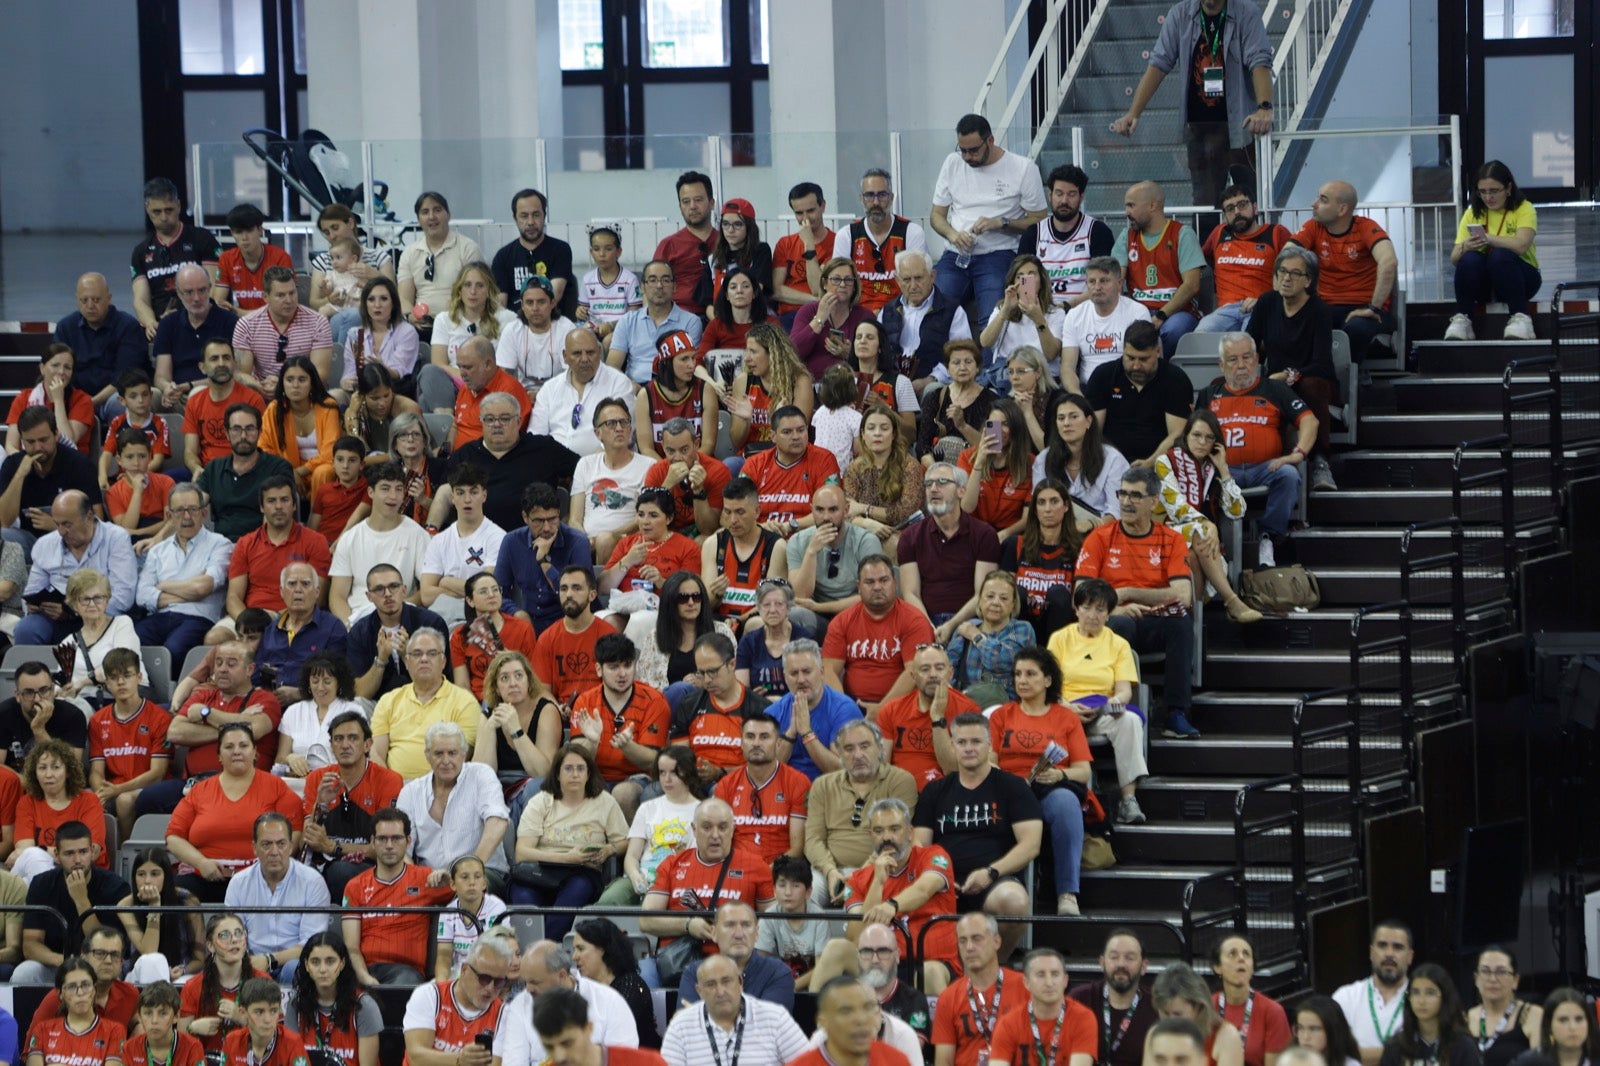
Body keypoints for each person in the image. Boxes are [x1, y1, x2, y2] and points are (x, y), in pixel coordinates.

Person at [1109, 0, 1275, 213]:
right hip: (1201, 131)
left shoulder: (1246, 12)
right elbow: (1159, 63)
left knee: (1251, 206)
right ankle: (1206, 246)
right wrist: (1134, 113)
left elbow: (1259, 61)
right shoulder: (1179, 15)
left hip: (1242, 127)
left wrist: (1264, 107)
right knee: (1205, 210)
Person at [1077, 466, 1198, 738]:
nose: (1125, 502)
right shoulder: (1100, 537)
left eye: (1135, 496)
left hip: (1155, 620)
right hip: (1110, 620)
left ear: (1153, 502)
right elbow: (1080, 592)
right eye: (1122, 494)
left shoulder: (1172, 539)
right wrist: (1115, 607)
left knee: (1181, 623)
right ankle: (1123, 713)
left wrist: (1128, 591)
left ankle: (1175, 713)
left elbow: (1183, 595)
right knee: (1122, 625)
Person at [1195, 333, 1317, 568]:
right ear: (1221, 365)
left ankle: (1268, 538)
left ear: (1257, 359)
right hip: (1223, 470)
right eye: (1232, 359)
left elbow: (1310, 421)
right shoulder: (1209, 395)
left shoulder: (1274, 389)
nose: (1241, 365)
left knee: (1289, 475)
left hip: (1265, 468)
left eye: (1247, 357)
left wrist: (1297, 454)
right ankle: (1216, 545)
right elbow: (1193, 436)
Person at [929, 113, 1048, 339]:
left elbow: (1040, 221)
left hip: (999, 252)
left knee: (992, 317)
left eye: (973, 150)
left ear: (990, 141)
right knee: (936, 311)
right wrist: (952, 235)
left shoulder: (1022, 168)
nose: (967, 156)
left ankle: (991, 372)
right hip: (956, 253)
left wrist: (1002, 223)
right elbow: (936, 215)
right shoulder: (952, 163)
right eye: (962, 150)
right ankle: (936, 370)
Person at [1045, 578, 1151, 824]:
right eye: (1086, 607)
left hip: (1100, 710)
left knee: (1130, 720)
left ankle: (1128, 799)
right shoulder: (1059, 639)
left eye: (1100, 609)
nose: (1092, 615)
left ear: (1109, 613)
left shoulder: (1119, 644)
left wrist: (1112, 704)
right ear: (1077, 609)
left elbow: (1124, 691)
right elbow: (1047, 686)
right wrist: (1067, 706)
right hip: (1065, 709)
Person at [138, 640, 282, 820]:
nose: (222, 669)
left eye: (231, 664)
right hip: (194, 784)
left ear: (250, 670)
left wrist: (205, 714)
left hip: (242, 785)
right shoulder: (204, 695)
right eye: (219, 662)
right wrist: (235, 727)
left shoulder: (264, 700)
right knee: (147, 799)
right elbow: (175, 732)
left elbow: (255, 730)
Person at [165, 723, 303, 903]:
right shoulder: (200, 791)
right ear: (219, 756)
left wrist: (266, 867)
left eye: (243, 746)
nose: (236, 751)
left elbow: (295, 834)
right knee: (173, 895)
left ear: (255, 752)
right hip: (205, 875)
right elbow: (173, 837)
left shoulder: (277, 787)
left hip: (262, 878)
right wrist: (201, 863)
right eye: (229, 747)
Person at [1152, 410, 1263, 623]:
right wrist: (1207, 524)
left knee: (1192, 555)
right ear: (1186, 436)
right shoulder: (1165, 462)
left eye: (1209, 437)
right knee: (1199, 534)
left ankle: (1193, 626)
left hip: (1198, 543)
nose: (1202, 442)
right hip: (1162, 533)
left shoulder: (1212, 469)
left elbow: (1237, 511)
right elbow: (1175, 507)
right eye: (1196, 435)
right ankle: (1232, 601)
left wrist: (1224, 471)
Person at [839, 797, 959, 992]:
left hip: (930, 962)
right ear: (870, 835)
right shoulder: (857, 879)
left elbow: (923, 889)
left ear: (910, 833)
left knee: (928, 972)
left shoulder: (935, 856)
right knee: (836, 949)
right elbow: (856, 938)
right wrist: (877, 883)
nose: (886, 837)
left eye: (894, 829)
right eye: (878, 831)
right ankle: (813, 1019)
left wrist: (891, 905)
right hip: (879, 963)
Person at [509, 743, 627, 939]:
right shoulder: (541, 801)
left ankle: (542, 952)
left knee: (575, 892)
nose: (575, 774)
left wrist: (609, 849)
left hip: (582, 873)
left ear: (589, 774)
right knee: (523, 898)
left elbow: (624, 841)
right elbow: (522, 852)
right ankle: (535, 954)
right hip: (539, 870)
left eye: (581, 769)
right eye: (568, 768)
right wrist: (568, 858)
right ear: (557, 774)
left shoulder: (604, 801)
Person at [1245, 246, 1339, 492]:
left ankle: (1320, 461)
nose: (1286, 278)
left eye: (1294, 273)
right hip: (1275, 382)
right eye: (1282, 271)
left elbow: (1322, 363)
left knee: (1312, 385)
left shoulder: (1319, 311)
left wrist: (1289, 375)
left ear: (1308, 280)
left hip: (1312, 379)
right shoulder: (1267, 302)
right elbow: (1249, 344)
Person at [639, 798, 774, 960]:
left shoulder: (757, 866)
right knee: (643, 973)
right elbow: (646, 920)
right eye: (707, 827)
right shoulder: (672, 864)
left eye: (723, 827)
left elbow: (772, 922)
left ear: (732, 830)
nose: (715, 835)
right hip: (678, 964)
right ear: (694, 830)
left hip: (736, 964)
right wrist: (688, 925)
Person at [341, 806, 455, 985]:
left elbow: (474, 893)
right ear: (372, 841)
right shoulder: (355, 886)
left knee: (403, 981)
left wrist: (451, 881)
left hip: (407, 972)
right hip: (365, 970)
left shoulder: (425, 879)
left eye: (396, 838)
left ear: (408, 841)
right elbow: (351, 947)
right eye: (382, 838)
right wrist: (365, 978)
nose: (389, 845)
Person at [1289, 181, 1399, 365]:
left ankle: (1347, 381)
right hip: (1326, 307)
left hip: (1365, 308)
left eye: (1322, 200)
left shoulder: (1365, 226)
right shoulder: (1313, 227)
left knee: (1354, 329)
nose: (1313, 204)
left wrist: (1373, 308)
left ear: (1342, 209)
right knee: (1295, 326)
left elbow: (1389, 262)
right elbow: (1286, 257)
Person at [395, 719, 510, 890]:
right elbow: (400, 846)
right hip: (430, 878)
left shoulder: (481, 775)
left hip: (483, 872)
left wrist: (469, 870)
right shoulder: (410, 792)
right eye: (438, 753)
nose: (446, 760)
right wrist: (417, 880)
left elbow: (498, 822)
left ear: (464, 754)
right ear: (427, 755)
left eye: (452, 753)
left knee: (468, 888)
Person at [300, 710, 404, 899]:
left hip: (370, 866)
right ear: (331, 746)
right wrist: (321, 804)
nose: (345, 745)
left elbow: (383, 847)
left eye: (353, 738)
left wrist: (333, 847)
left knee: (340, 872)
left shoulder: (389, 780)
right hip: (323, 863)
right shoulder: (317, 778)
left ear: (367, 745)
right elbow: (310, 838)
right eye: (338, 739)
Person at [14, 821, 128, 984]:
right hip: (58, 963)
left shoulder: (115, 887)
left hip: (100, 964)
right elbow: (30, 944)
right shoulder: (42, 884)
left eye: (83, 851)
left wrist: (81, 900)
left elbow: (106, 944)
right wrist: (64, 961)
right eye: (69, 853)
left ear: (93, 851)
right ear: (56, 855)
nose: (77, 860)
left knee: (109, 970)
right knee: (24, 972)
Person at [222, 811, 330, 984]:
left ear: (290, 846)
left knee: (293, 968)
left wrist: (269, 960)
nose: (274, 852)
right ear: (254, 847)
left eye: (281, 844)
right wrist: (250, 962)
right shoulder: (239, 883)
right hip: (252, 964)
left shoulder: (312, 882)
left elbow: (313, 945)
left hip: (295, 965)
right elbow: (231, 936)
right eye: (266, 844)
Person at [18, 492, 137, 647]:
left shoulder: (116, 538)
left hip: (101, 616)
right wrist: (33, 605)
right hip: (55, 618)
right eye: (57, 524)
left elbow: (123, 597)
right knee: (26, 629)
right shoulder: (45, 544)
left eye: (67, 524)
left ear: (89, 516)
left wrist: (73, 611)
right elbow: (31, 591)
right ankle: (34, 672)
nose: (61, 531)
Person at [898, 462, 1001, 638]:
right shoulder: (910, 537)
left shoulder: (984, 535)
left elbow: (982, 594)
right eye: (928, 484)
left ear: (961, 491)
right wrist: (927, 627)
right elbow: (911, 593)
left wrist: (951, 626)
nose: (933, 488)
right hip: (924, 619)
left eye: (942, 482)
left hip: (970, 621)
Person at [822, 554, 934, 713]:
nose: (877, 587)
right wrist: (844, 709)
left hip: (903, 706)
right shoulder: (842, 621)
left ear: (895, 583)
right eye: (869, 582)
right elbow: (828, 669)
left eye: (883, 580)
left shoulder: (914, 620)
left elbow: (914, 672)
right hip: (853, 705)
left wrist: (882, 709)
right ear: (859, 587)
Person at [369, 627, 481, 779]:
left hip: (444, 787)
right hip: (395, 790)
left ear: (443, 661)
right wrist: (391, 787)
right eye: (417, 653)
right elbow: (375, 753)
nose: (424, 659)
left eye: (432, 653)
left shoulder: (465, 702)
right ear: (407, 662)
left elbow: (461, 757)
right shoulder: (389, 700)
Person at [663, 950, 808, 1066]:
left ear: (740, 983)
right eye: (711, 984)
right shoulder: (680, 1027)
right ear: (699, 991)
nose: (720, 992)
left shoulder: (775, 1018)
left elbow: (810, 1062)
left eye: (726, 981)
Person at [1447, 161, 1540, 341]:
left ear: (1508, 188)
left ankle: (1520, 317)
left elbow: (1521, 245)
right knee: (1470, 258)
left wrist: (1489, 238)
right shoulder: (1473, 213)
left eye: (1494, 191)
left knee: (1500, 255)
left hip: (1521, 277)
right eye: (1483, 192)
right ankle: (1463, 319)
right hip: (1485, 284)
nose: (1488, 197)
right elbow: (1454, 259)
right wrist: (1464, 247)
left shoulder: (1524, 208)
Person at [86, 649, 170, 837]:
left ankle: (125, 856)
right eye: (114, 677)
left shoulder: (160, 718)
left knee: (124, 800)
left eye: (127, 675)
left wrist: (117, 790)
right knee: (85, 800)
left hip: (148, 788)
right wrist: (100, 792)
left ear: (139, 677)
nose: (121, 682)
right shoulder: (98, 720)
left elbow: (157, 773)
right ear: (106, 683)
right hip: (112, 788)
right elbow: (96, 770)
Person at [1114, 182, 1203, 358]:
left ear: (1152, 205)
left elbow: (1192, 285)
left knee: (1172, 332)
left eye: (1131, 205)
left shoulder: (1182, 234)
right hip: (1138, 311)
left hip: (1176, 312)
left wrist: (1161, 315)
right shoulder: (1126, 236)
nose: (1126, 213)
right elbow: (1116, 280)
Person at [666, 631, 766, 782]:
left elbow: (763, 766)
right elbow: (679, 755)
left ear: (732, 664)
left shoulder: (759, 708)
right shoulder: (689, 704)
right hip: (693, 783)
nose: (706, 680)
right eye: (701, 673)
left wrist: (720, 772)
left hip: (738, 784)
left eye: (712, 672)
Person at [130, 177, 222, 339]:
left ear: (179, 206)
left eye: (169, 210)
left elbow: (214, 288)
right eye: (157, 212)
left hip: (202, 323)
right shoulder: (141, 252)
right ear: (147, 209)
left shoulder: (203, 239)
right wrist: (151, 322)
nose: (164, 217)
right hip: (162, 329)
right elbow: (140, 300)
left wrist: (187, 317)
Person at [711, 713, 810, 864]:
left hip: (783, 871)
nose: (756, 743)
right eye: (750, 737)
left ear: (778, 743)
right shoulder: (726, 785)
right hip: (737, 870)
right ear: (741, 743)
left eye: (764, 737)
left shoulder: (797, 782)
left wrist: (763, 873)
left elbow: (797, 849)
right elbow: (719, 843)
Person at [500, 483, 597, 633]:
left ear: (559, 514)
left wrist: (544, 563)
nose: (546, 528)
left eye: (552, 519)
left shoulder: (578, 542)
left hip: (569, 621)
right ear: (525, 517)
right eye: (538, 521)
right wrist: (517, 613)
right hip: (529, 622)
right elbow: (498, 592)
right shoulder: (512, 541)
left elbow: (579, 596)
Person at [529, 326, 636, 462]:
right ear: (565, 357)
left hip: (601, 465)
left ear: (599, 352)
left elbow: (624, 435)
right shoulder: (550, 388)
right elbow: (536, 437)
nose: (585, 359)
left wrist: (583, 468)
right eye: (577, 353)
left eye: (590, 352)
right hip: (553, 468)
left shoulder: (618, 383)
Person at [418, 464, 506, 626]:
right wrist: (471, 592)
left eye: (473, 492)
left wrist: (446, 582)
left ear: (484, 495)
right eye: (460, 492)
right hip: (442, 616)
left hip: (480, 618)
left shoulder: (498, 537)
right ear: (452, 497)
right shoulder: (439, 540)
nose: (467, 499)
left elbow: (489, 592)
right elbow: (426, 595)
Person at [9, 739, 107, 884]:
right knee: (32, 859)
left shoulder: (89, 801)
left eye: (55, 767)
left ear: (67, 771)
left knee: (32, 863)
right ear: (34, 773)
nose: (49, 774)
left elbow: (90, 852)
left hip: (83, 875)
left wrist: (42, 849)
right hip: (39, 870)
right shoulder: (27, 802)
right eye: (42, 768)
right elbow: (23, 850)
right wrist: (63, 853)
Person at [1019, 163, 1117, 306]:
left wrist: (1067, 307)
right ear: (1050, 195)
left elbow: (1104, 284)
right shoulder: (1033, 234)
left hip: (1085, 310)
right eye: (1059, 194)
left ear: (1081, 197)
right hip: (1043, 311)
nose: (1064, 201)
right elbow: (1024, 284)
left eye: (1071, 194)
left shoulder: (1097, 232)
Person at [400, 936, 509, 1065]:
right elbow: (416, 1058)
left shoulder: (504, 1015)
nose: (490, 988)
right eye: (484, 979)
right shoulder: (429, 996)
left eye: (498, 982)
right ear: (464, 970)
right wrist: (459, 1060)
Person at [1199, 185, 1293, 334]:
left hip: (1260, 308)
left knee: (1245, 342)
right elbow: (1201, 260)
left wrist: (1267, 301)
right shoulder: (1219, 233)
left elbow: (1296, 271)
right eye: (1230, 209)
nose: (1237, 212)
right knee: (1200, 336)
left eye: (1242, 205)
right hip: (1224, 311)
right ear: (1224, 216)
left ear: (1255, 207)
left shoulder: (1276, 233)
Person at [198, 405, 299, 541]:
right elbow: (192, 504)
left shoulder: (278, 467)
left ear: (260, 432)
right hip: (221, 545)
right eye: (236, 429)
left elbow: (277, 512)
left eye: (250, 429)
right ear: (227, 433)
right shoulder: (214, 468)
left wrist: (258, 548)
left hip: (261, 544)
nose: (243, 436)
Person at [177, 912, 272, 1055]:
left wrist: (242, 1019)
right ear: (210, 946)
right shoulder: (193, 986)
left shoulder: (263, 982)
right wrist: (193, 1028)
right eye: (224, 935)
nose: (234, 940)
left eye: (239, 933)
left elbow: (276, 1037)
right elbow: (180, 1043)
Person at [572, 399, 655, 562]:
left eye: (624, 422)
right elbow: (574, 519)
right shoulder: (585, 464)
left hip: (628, 540)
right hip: (587, 543)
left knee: (605, 540)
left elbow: (645, 518)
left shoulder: (647, 466)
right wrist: (585, 540)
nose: (619, 428)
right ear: (597, 433)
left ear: (630, 429)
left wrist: (609, 536)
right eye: (611, 423)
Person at [285, 931, 383, 1066]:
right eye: (315, 962)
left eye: (330, 961)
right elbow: (290, 1059)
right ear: (307, 966)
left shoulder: (364, 1005)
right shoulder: (296, 1004)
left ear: (342, 963)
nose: (323, 969)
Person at [676, 899, 796, 1010]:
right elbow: (684, 1025)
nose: (739, 934)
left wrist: (705, 1014)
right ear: (714, 933)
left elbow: (769, 1027)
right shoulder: (695, 972)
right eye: (730, 925)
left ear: (757, 933)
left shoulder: (777, 972)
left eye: (746, 925)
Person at [879, 250, 972, 390]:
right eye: (906, 279)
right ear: (898, 281)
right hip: (892, 383)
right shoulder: (887, 311)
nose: (913, 285)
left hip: (933, 384)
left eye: (918, 278)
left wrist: (929, 380)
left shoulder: (952, 310)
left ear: (932, 276)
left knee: (932, 390)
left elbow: (963, 354)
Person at [231, 266, 336, 390]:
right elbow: (240, 374)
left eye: (292, 293)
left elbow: (321, 375)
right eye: (281, 295)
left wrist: (283, 387)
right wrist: (260, 387)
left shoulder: (318, 323)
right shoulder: (246, 325)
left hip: (305, 393)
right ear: (266, 297)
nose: (289, 300)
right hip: (262, 391)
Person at [54, 273, 146, 414]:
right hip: (76, 397)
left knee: (121, 404)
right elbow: (58, 371)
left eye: (96, 300)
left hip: (114, 395)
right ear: (77, 300)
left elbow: (125, 378)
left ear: (109, 299)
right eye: (84, 300)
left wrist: (92, 402)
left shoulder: (128, 327)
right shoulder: (65, 328)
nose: (90, 306)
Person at [988, 949, 1097, 1066]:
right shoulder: (1008, 1024)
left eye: (1055, 974)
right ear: (1026, 982)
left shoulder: (1082, 1018)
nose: (1049, 983)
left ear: (1065, 981)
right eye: (1041, 975)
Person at [154, 264, 240, 409]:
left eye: (201, 290)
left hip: (215, 390)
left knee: (197, 393)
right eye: (188, 292)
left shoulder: (230, 321)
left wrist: (189, 386)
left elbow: (232, 373)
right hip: (177, 393)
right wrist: (168, 387)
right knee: (150, 395)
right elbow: (161, 375)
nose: (196, 298)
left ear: (210, 288)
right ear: (179, 294)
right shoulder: (168, 324)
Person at [1069, 930, 1160, 1066]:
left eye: (1129, 958)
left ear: (1143, 966)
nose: (1121, 964)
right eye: (1114, 957)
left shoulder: (1156, 1007)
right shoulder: (1079, 999)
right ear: (1102, 962)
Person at [474, 649, 564, 786]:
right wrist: (490, 729)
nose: (513, 683)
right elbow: (480, 777)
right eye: (504, 678)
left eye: (519, 676)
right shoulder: (489, 715)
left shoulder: (546, 711)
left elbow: (543, 773)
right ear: (497, 688)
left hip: (534, 789)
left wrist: (516, 730)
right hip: (499, 789)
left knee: (536, 786)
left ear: (529, 681)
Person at [1330, 921, 1414, 1066]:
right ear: (1371, 952)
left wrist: (1360, 1053)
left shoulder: (1420, 999)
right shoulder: (1346, 996)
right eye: (1382, 945)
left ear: (1410, 957)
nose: (1389, 953)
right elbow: (1336, 1052)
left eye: (1398, 947)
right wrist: (1399, 1054)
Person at [607, 260, 705, 384]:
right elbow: (612, 366)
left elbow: (690, 367)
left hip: (673, 388)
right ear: (643, 287)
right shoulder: (627, 321)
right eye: (653, 280)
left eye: (665, 280)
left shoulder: (691, 322)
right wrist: (629, 386)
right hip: (634, 387)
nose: (659, 286)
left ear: (675, 286)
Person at [258, 355, 343, 498]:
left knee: (323, 472)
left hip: (320, 470)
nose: (295, 385)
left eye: (302, 380)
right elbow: (264, 448)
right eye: (289, 380)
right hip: (287, 470)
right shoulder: (274, 409)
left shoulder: (328, 406)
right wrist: (288, 470)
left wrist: (299, 471)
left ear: (312, 383)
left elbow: (330, 452)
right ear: (282, 383)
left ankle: (318, 518)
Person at [842, 407, 923, 553]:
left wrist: (863, 509)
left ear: (893, 434)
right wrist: (868, 524)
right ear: (863, 434)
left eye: (884, 428)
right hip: (862, 530)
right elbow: (847, 511)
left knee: (893, 544)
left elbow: (903, 512)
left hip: (902, 531)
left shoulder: (910, 466)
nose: (877, 433)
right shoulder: (854, 469)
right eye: (871, 428)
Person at [181, 340, 267, 478]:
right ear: (202, 367)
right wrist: (196, 468)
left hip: (244, 470)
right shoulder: (195, 401)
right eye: (214, 359)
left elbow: (263, 446)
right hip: (206, 471)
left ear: (234, 364)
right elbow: (190, 451)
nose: (221, 364)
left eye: (226, 358)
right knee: (167, 481)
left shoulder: (252, 399)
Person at [514, 986, 662, 1066]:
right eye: (549, 1046)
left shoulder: (647, 1064)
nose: (559, 1057)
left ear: (588, 1028)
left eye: (567, 1043)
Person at [946, 570, 1036, 702]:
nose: (996, 602)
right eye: (990, 596)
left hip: (1005, 708)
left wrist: (976, 636)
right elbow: (948, 669)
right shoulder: (967, 628)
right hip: (966, 705)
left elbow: (999, 661)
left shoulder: (1022, 629)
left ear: (1013, 604)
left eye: (1004, 598)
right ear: (980, 601)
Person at [57, 569, 145, 702]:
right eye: (85, 599)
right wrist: (61, 690)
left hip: (123, 697)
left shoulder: (122, 624)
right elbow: (63, 681)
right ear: (74, 605)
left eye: (98, 598)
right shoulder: (67, 643)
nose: (92, 604)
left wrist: (82, 682)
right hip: (82, 701)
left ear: (107, 600)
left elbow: (121, 665)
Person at [397, 190, 484, 325]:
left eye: (437, 210)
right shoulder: (409, 253)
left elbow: (477, 293)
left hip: (458, 323)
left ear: (448, 215)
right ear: (419, 220)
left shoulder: (468, 248)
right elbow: (404, 298)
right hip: (421, 325)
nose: (431, 217)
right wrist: (410, 316)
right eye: (425, 212)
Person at [117, 849, 205, 982]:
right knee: (152, 963)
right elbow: (149, 953)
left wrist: (183, 970)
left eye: (155, 874)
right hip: (141, 973)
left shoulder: (187, 900)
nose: (147, 881)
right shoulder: (125, 906)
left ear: (167, 876)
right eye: (141, 874)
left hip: (180, 973)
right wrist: (154, 906)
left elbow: (199, 959)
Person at [728, 323, 814, 457]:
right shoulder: (743, 381)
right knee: (731, 464)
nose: (747, 358)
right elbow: (736, 442)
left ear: (773, 354)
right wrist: (745, 421)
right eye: (747, 351)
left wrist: (780, 418)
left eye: (754, 351)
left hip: (787, 457)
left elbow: (798, 439)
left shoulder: (800, 381)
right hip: (751, 459)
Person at [533, 565, 615, 704]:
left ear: (592, 595)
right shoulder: (546, 639)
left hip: (600, 711)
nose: (569, 594)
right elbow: (541, 691)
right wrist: (556, 709)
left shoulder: (609, 635)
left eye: (577, 588)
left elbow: (617, 686)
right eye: (564, 589)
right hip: (560, 716)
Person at [790, 976, 916, 1066]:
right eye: (846, 1011)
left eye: (867, 1008)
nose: (860, 1019)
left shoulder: (896, 1061)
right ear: (823, 1021)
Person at [572, 918, 660, 1048]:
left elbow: (613, 1035)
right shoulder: (582, 987)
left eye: (580, 948)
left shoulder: (632, 985)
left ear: (602, 949)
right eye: (574, 949)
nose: (574, 956)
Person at [25, 956, 128, 1065]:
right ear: (60, 994)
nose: (80, 993)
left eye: (86, 985)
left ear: (94, 990)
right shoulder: (42, 1030)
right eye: (72, 987)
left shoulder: (114, 1031)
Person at [451, 573, 538, 701]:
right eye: (483, 591)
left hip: (515, 699)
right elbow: (462, 685)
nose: (492, 595)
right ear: (470, 601)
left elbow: (533, 676)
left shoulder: (522, 628)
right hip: (477, 703)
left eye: (495, 589)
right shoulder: (460, 636)